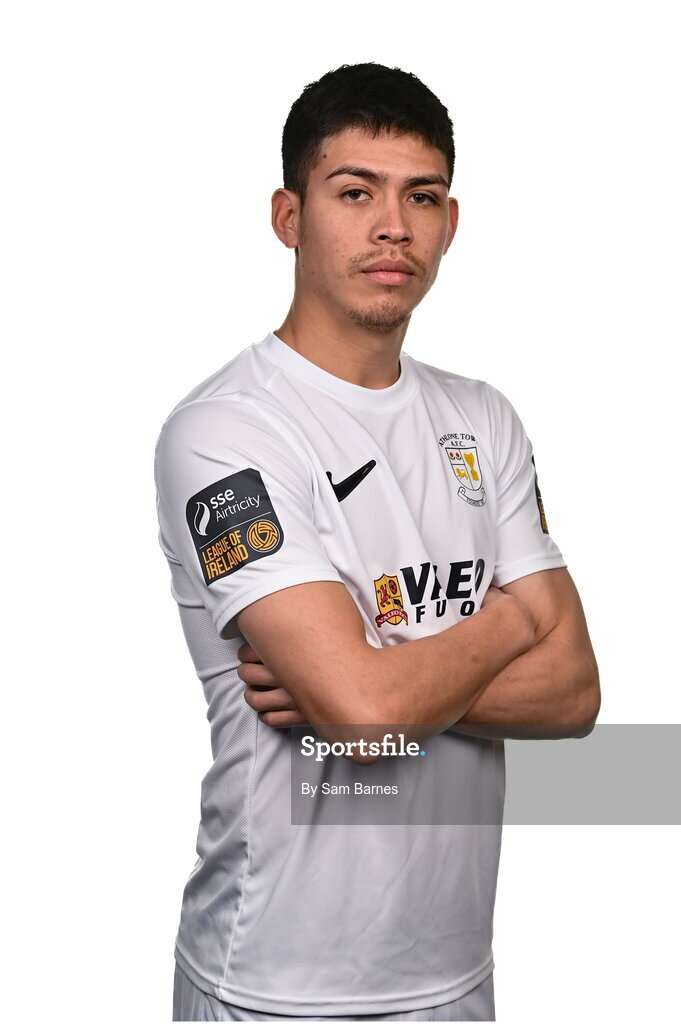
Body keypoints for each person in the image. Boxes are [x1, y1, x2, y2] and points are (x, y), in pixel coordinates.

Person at [154, 62, 600, 1023]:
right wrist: (513, 617)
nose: (392, 225)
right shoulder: (224, 433)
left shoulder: (483, 418)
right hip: (272, 983)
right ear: (289, 216)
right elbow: (360, 719)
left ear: (449, 221)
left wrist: (368, 673)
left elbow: (573, 695)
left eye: (420, 196)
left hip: (452, 976)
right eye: (354, 191)